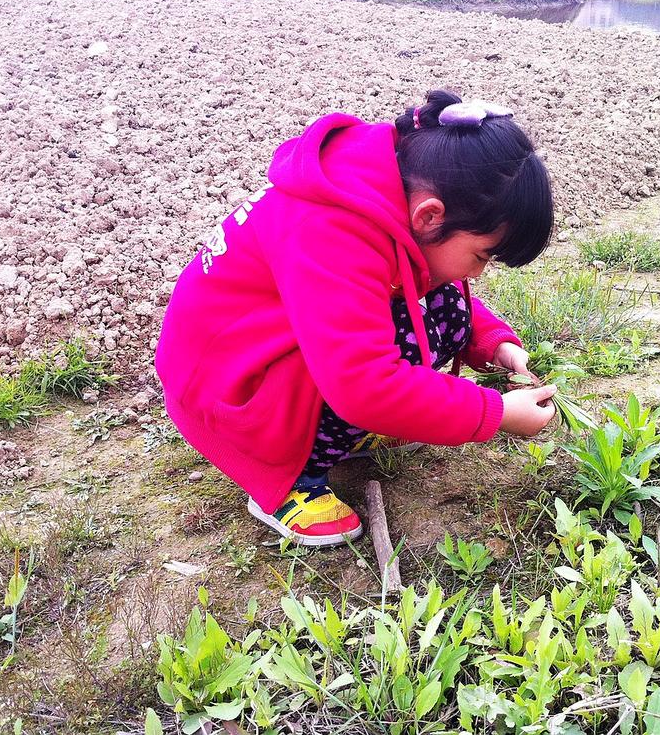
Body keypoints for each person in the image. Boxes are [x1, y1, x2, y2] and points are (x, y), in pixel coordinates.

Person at [155, 89, 557, 547]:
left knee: (443, 309)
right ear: (430, 215)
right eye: (482, 255)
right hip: (224, 387)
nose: (480, 272)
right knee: (384, 365)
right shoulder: (332, 232)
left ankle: (335, 435)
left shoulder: (383, 191)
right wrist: (496, 412)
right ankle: (288, 477)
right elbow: (365, 385)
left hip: (268, 343)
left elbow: (422, 287)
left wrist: (493, 341)